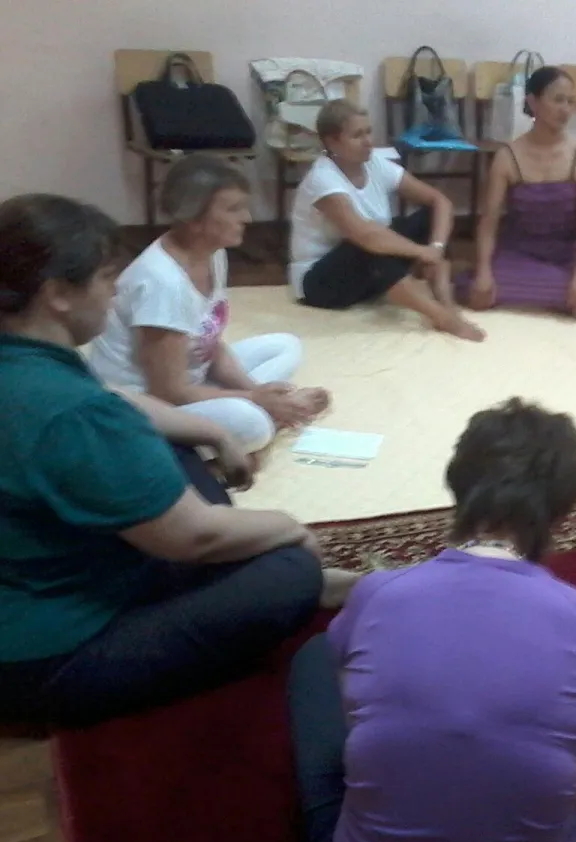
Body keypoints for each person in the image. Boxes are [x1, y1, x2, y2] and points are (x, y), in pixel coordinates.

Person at [287, 398, 576, 842]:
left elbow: (361, 739)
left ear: (457, 487)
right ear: (565, 510)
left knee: (319, 653)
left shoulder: (376, 594)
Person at [0, 194, 360, 728]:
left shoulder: (29, 358)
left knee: (177, 449)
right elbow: (191, 537)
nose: (115, 292)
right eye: (105, 278)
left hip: (52, 571)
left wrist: (215, 431)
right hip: (46, 659)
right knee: (291, 569)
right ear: (57, 294)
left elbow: (118, 400)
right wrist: (290, 528)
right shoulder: (70, 411)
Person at [88, 156, 329, 454]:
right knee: (252, 425)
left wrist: (254, 391)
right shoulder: (162, 283)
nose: (247, 218)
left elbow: (211, 342)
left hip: (191, 377)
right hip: (144, 404)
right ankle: (257, 423)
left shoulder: (213, 254)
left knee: (286, 345)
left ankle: (266, 410)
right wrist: (254, 400)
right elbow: (168, 392)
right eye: (233, 209)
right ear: (194, 219)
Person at [289, 99, 484, 341]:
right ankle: (441, 317)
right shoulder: (322, 178)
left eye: (368, 132)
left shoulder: (374, 163)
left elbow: (439, 202)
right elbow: (365, 235)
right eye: (357, 135)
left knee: (427, 219)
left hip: (366, 269)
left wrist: (436, 247)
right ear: (332, 142)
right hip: (320, 283)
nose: (368, 141)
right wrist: (421, 252)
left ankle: (446, 301)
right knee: (370, 243)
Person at [459, 66, 576, 317]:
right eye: (558, 100)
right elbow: (488, 223)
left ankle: (557, 288)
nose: (565, 109)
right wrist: (483, 271)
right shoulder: (507, 156)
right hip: (517, 254)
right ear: (533, 102)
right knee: (477, 291)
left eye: (570, 102)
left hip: (564, 257)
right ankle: (545, 290)